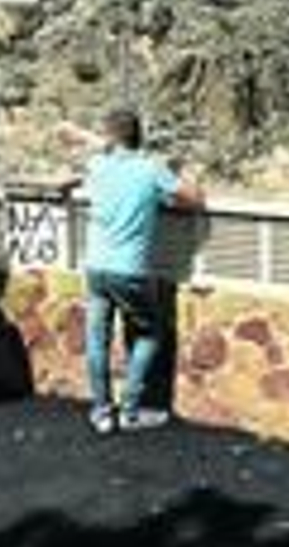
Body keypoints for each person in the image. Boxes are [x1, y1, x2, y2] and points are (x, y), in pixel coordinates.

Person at [61, 109, 205, 434]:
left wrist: (85, 136)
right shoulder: (151, 170)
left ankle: (101, 413)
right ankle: (130, 410)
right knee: (151, 333)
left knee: (97, 339)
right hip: (130, 270)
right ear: (140, 135)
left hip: (95, 266)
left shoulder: (96, 165)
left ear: (110, 137)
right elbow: (193, 200)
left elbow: (101, 149)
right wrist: (190, 176)